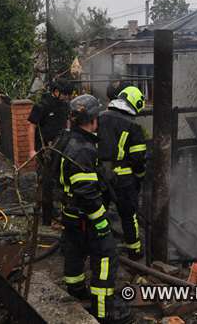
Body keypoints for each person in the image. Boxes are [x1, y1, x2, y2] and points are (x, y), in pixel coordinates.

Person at [59, 94, 131, 323]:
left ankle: (76, 289)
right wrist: (101, 222)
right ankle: (103, 312)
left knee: (74, 251)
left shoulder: (67, 140)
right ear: (91, 120)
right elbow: (86, 192)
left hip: (71, 214)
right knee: (106, 256)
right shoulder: (82, 149)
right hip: (86, 216)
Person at [98, 86, 147, 261]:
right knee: (128, 215)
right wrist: (140, 178)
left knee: (98, 213)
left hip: (100, 175)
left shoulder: (99, 117)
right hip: (124, 179)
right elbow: (138, 159)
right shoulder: (133, 126)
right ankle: (134, 251)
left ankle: (99, 246)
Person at [27, 78, 74, 225]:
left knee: (62, 181)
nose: (67, 97)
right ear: (56, 91)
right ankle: (47, 220)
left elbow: (67, 123)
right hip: (45, 150)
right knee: (46, 183)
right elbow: (31, 127)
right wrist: (31, 150)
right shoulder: (42, 105)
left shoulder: (65, 106)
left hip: (61, 149)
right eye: (65, 94)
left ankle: (62, 212)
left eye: (68, 95)